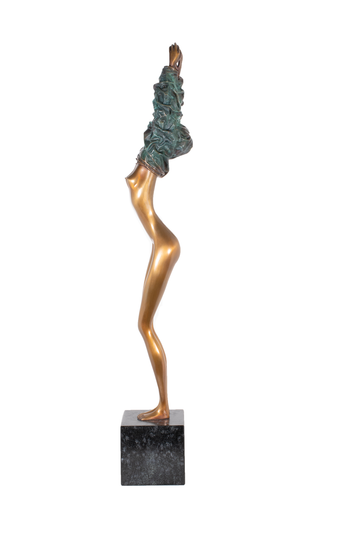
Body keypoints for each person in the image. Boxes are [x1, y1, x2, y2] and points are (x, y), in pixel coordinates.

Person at [125, 44, 193, 421]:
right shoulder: (148, 158)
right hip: (162, 243)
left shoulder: (152, 159)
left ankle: (164, 405)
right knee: (144, 323)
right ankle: (162, 403)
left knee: (144, 324)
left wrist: (172, 73)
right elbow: (160, 122)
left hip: (164, 245)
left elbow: (165, 115)